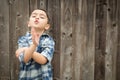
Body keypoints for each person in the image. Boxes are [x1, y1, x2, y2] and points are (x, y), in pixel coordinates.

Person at [15, 9, 55, 80]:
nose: (37, 18)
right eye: (34, 16)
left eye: (42, 17)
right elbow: (25, 59)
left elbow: (43, 60)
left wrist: (27, 49)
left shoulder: (48, 40)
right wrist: (34, 45)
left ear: (47, 26)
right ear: (28, 23)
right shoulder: (23, 39)